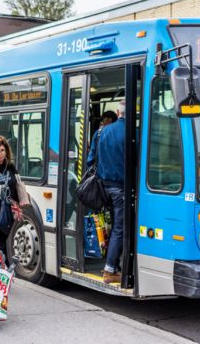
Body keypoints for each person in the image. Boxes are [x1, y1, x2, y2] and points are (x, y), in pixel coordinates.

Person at [87, 100, 126, 284]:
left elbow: (90, 161)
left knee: (112, 226)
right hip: (121, 188)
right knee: (120, 227)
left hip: (104, 188)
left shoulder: (101, 132)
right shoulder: (133, 132)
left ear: (118, 112)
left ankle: (113, 264)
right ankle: (110, 269)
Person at [0, 136, 30, 262]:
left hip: (7, 213)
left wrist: (17, 205)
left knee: (2, 243)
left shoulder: (10, 167)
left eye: (2, 150)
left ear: (6, 151)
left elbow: (15, 185)